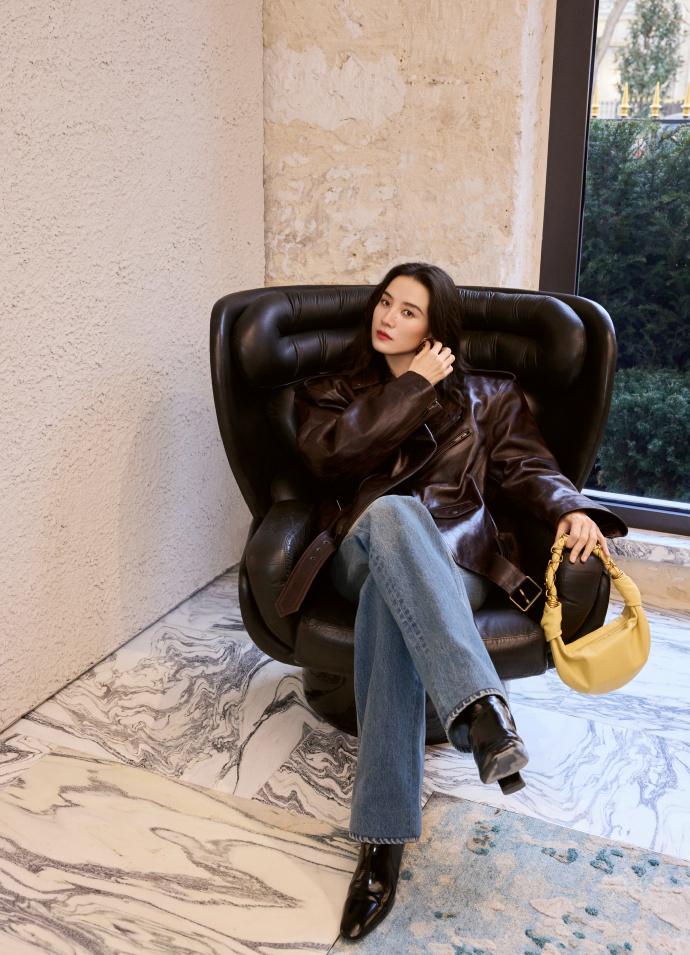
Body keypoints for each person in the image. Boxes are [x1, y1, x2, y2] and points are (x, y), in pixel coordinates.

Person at [281, 262, 627, 942]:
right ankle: (481, 709)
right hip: (360, 548)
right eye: (386, 302)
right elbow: (328, 459)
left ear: (437, 329)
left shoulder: (488, 396)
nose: (388, 318)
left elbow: (530, 467)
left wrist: (572, 508)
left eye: (409, 311)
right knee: (394, 513)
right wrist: (411, 386)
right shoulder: (333, 391)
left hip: (457, 561)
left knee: (391, 599)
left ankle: (381, 844)